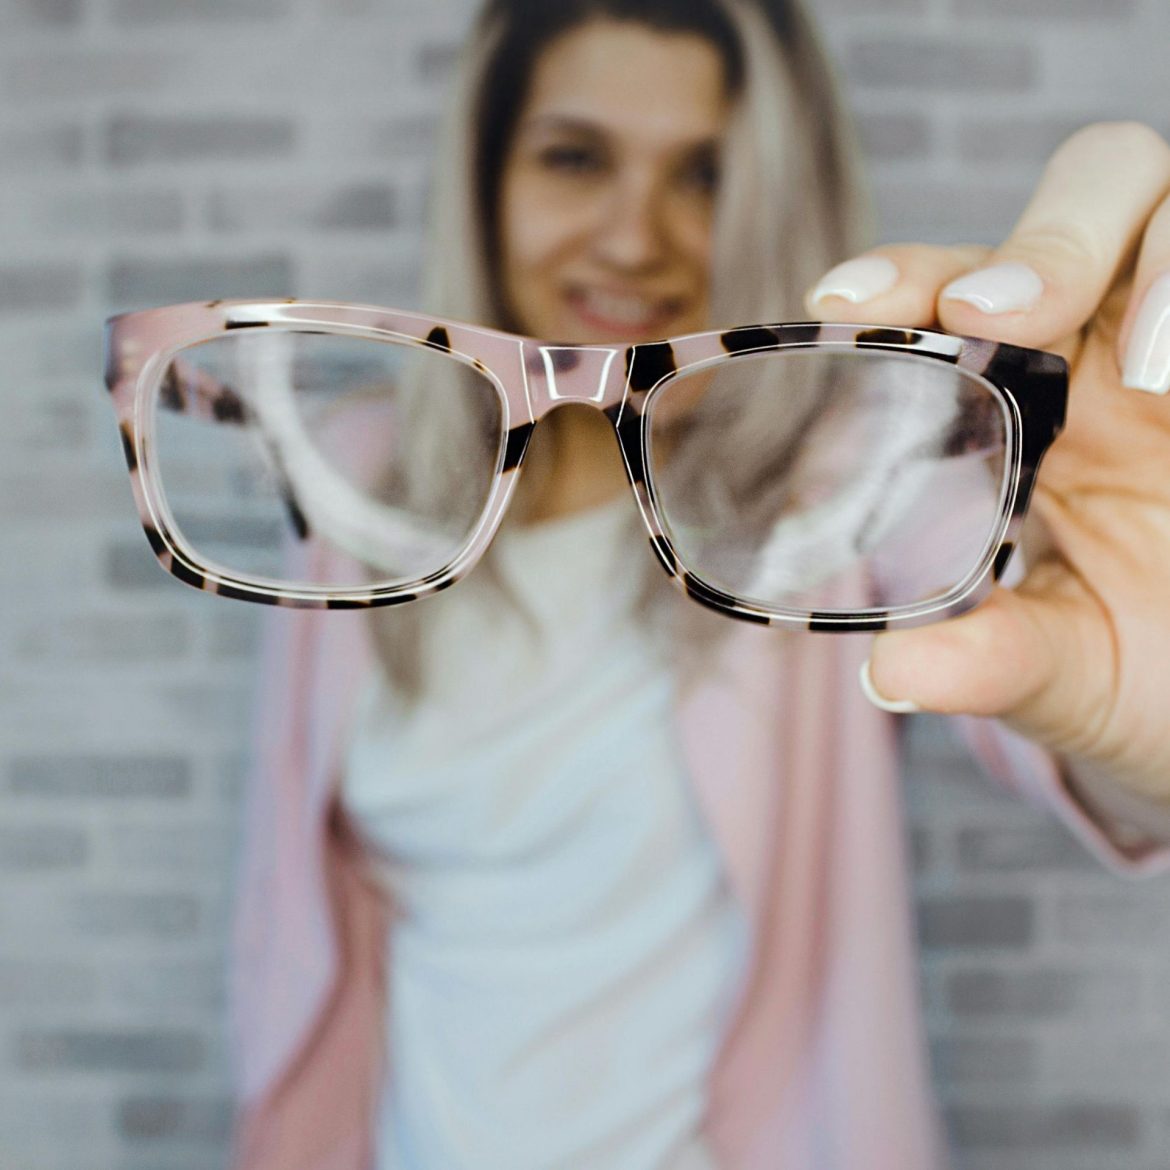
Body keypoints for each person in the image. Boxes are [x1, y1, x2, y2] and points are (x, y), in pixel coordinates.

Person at [226, 0, 1170, 1167]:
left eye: (708, 174)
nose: (635, 240)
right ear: (483, 178)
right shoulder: (359, 476)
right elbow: (300, 933)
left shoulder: (850, 476)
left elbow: (1080, 702)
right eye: (576, 158)